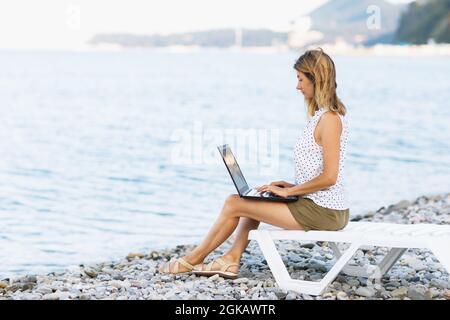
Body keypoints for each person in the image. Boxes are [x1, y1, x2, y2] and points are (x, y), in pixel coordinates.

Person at [159, 48, 350, 279]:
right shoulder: (322, 116)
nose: (297, 86)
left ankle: (192, 260)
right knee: (254, 200)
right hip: (317, 205)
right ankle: (230, 259)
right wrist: (287, 186)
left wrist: (291, 191)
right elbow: (320, 173)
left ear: (315, 78)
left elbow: (330, 177)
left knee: (233, 203)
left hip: (325, 213)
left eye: (300, 79)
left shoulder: (329, 119)